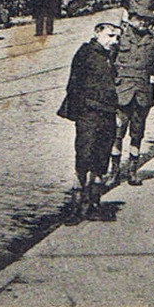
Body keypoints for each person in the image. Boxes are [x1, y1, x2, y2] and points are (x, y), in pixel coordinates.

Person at [60, 20, 122, 224]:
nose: (114, 41)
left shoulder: (110, 55)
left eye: (116, 37)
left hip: (108, 112)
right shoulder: (85, 53)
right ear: (97, 34)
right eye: (110, 36)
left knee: (101, 157)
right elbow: (74, 84)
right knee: (84, 156)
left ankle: (94, 204)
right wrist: (79, 111)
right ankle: (76, 207)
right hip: (89, 113)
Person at [110, 0, 154, 185]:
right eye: (139, 18)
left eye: (146, 19)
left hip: (142, 93)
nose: (143, 22)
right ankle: (114, 171)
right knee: (117, 132)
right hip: (121, 92)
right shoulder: (119, 37)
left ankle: (132, 170)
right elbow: (110, 62)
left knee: (137, 132)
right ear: (130, 18)